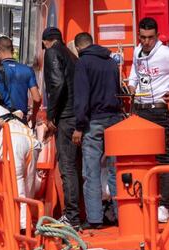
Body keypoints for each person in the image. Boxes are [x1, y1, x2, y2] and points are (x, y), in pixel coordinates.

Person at [72, 32, 123, 229]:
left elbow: (82, 97)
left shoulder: (83, 64)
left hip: (94, 121)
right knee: (115, 170)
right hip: (115, 119)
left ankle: (95, 219)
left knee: (91, 172)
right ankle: (121, 214)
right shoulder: (111, 62)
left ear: (78, 48)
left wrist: (79, 126)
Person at [128, 17, 169, 222]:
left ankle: (164, 205)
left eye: (150, 38)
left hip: (160, 111)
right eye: (143, 37)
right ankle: (145, 199)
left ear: (157, 35)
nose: (146, 42)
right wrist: (132, 87)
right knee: (142, 156)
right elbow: (134, 74)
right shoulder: (137, 52)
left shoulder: (165, 54)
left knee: (163, 158)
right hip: (141, 110)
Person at [42, 27, 80, 228]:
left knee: (67, 166)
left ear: (47, 41)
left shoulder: (52, 52)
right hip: (77, 115)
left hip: (65, 115)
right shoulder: (71, 55)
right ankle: (79, 214)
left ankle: (72, 216)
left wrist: (51, 116)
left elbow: (57, 84)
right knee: (76, 166)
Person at [0, 36, 41, 123]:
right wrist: (33, 116)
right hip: (21, 120)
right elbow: (37, 98)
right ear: (12, 50)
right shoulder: (28, 70)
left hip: (2, 121)